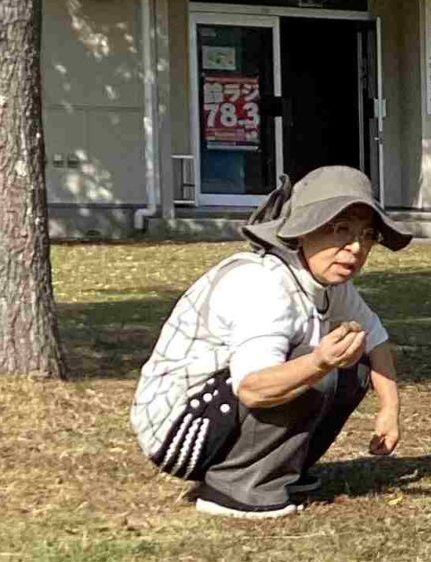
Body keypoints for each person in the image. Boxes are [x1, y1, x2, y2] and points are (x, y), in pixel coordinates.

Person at [130, 166, 407, 520]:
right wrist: (320, 362)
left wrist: (389, 410)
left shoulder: (329, 282)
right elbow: (253, 388)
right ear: (303, 231)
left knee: (351, 361)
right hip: (179, 429)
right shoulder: (264, 285)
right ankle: (236, 488)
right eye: (340, 230)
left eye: (366, 235)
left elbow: (375, 338)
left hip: (218, 408)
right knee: (315, 367)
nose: (355, 247)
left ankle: (285, 470)